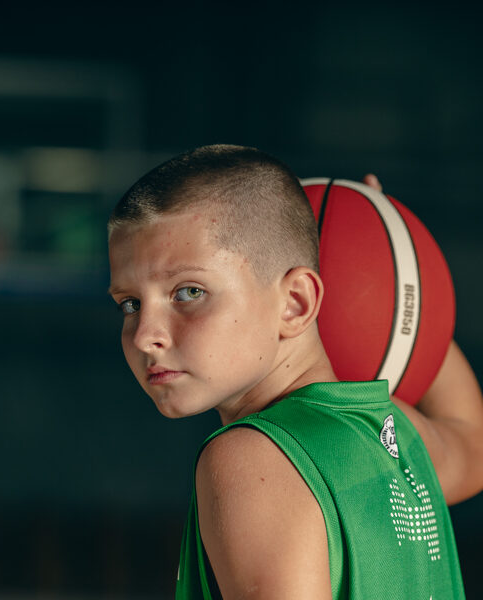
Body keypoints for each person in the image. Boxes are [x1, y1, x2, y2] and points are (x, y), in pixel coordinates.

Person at [107, 144, 483, 599]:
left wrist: (396, 268)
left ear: (295, 303)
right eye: (130, 303)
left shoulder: (251, 459)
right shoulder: (392, 431)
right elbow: (472, 443)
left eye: (189, 292)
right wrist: (400, 272)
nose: (145, 335)